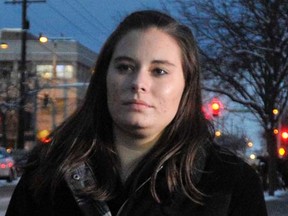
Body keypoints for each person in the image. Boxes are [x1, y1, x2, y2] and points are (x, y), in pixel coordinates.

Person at [6, 10, 267, 216]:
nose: (138, 82)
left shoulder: (231, 184)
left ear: (186, 84)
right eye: (125, 67)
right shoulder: (48, 174)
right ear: (105, 78)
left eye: (159, 71)